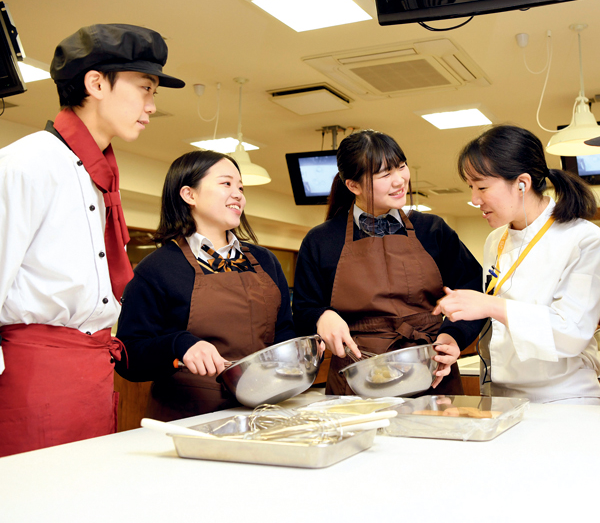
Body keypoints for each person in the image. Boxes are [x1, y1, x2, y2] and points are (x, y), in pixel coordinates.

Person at [0, 24, 185, 457]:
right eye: (145, 88)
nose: (152, 106)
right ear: (96, 83)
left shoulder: (98, 174)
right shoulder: (26, 164)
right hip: (35, 374)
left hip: (93, 370)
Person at [293, 129, 486, 396]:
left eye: (401, 167)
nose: (400, 180)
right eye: (385, 175)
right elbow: (303, 309)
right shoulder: (321, 240)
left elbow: (472, 288)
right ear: (353, 186)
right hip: (358, 378)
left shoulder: (432, 230)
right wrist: (321, 316)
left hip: (431, 371)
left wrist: (453, 336)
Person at [115, 150, 296, 420]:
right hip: (187, 418)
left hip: (263, 412)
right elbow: (128, 357)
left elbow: (283, 333)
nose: (238, 194)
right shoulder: (157, 269)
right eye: (226, 184)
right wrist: (179, 344)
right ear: (189, 195)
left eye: (241, 187)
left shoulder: (265, 261)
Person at [433, 125, 600, 405]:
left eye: (482, 187)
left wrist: (489, 305)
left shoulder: (584, 239)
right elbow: (499, 326)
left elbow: (571, 333)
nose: (475, 200)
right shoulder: (495, 239)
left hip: (562, 398)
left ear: (522, 183)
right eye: (471, 188)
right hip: (500, 395)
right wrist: (453, 338)